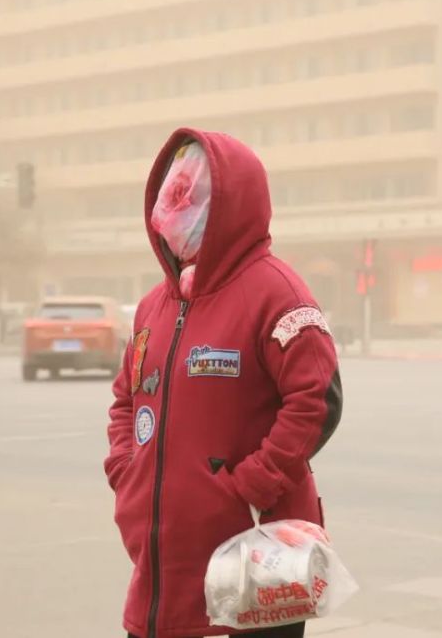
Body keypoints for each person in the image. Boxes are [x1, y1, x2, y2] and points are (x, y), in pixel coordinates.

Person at [105, 129, 343, 638]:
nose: (179, 207)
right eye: (174, 193)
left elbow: (317, 400)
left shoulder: (276, 293)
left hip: (253, 562)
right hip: (160, 570)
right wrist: (126, 472)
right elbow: (127, 397)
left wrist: (251, 486)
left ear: (231, 204)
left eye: (194, 196)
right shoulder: (155, 306)